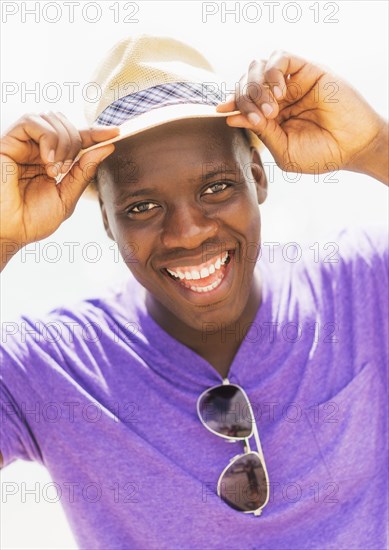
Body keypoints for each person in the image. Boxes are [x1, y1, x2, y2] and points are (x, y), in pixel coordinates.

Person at [0, 34, 388, 549]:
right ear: (107, 224)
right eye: (141, 207)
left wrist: (374, 147)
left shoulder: (362, 288)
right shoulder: (53, 367)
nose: (187, 232)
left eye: (216, 188)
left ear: (257, 177)